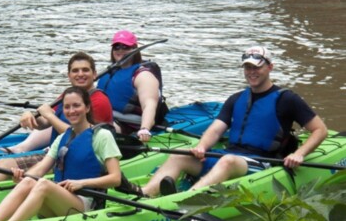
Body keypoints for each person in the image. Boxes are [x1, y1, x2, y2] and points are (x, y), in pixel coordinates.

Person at [139, 45, 328, 197]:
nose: (251, 72)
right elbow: (215, 130)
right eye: (247, 67)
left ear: (270, 67)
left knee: (228, 161)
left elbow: (320, 130)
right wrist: (202, 147)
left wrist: (300, 154)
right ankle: (144, 194)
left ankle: (187, 200)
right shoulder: (236, 99)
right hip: (230, 156)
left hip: (261, 162)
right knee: (180, 155)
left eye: (257, 67)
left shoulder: (287, 99)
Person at [0, 86, 121, 221]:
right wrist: (21, 178)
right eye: (67, 107)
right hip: (61, 200)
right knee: (28, 181)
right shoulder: (62, 138)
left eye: (76, 106)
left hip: (86, 205)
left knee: (44, 184)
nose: (71, 111)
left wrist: (81, 183)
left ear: (87, 108)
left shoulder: (102, 136)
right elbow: (40, 169)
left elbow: (116, 178)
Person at [0, 52, 113, 186]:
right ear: (69, 76)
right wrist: (32, 117)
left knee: (5, 165)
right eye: (75, 71)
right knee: (4, 164)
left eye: (85, 70)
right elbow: (45, 123)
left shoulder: (99, 101)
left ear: (94, 74)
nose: (80, 74)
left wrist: (49, 115)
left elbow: (82, 138)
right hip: (56, 152)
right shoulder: (68, 95)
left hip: (75, 159)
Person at [97, 30, 169, 142]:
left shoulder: (143, 75)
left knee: (102, 130)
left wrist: (145, 128)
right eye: (116, 47)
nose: (120, 50)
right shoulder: (110, 72)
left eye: (125, 47)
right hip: (107, 119)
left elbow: (149, 104)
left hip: (130, 126)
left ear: (134, 49)